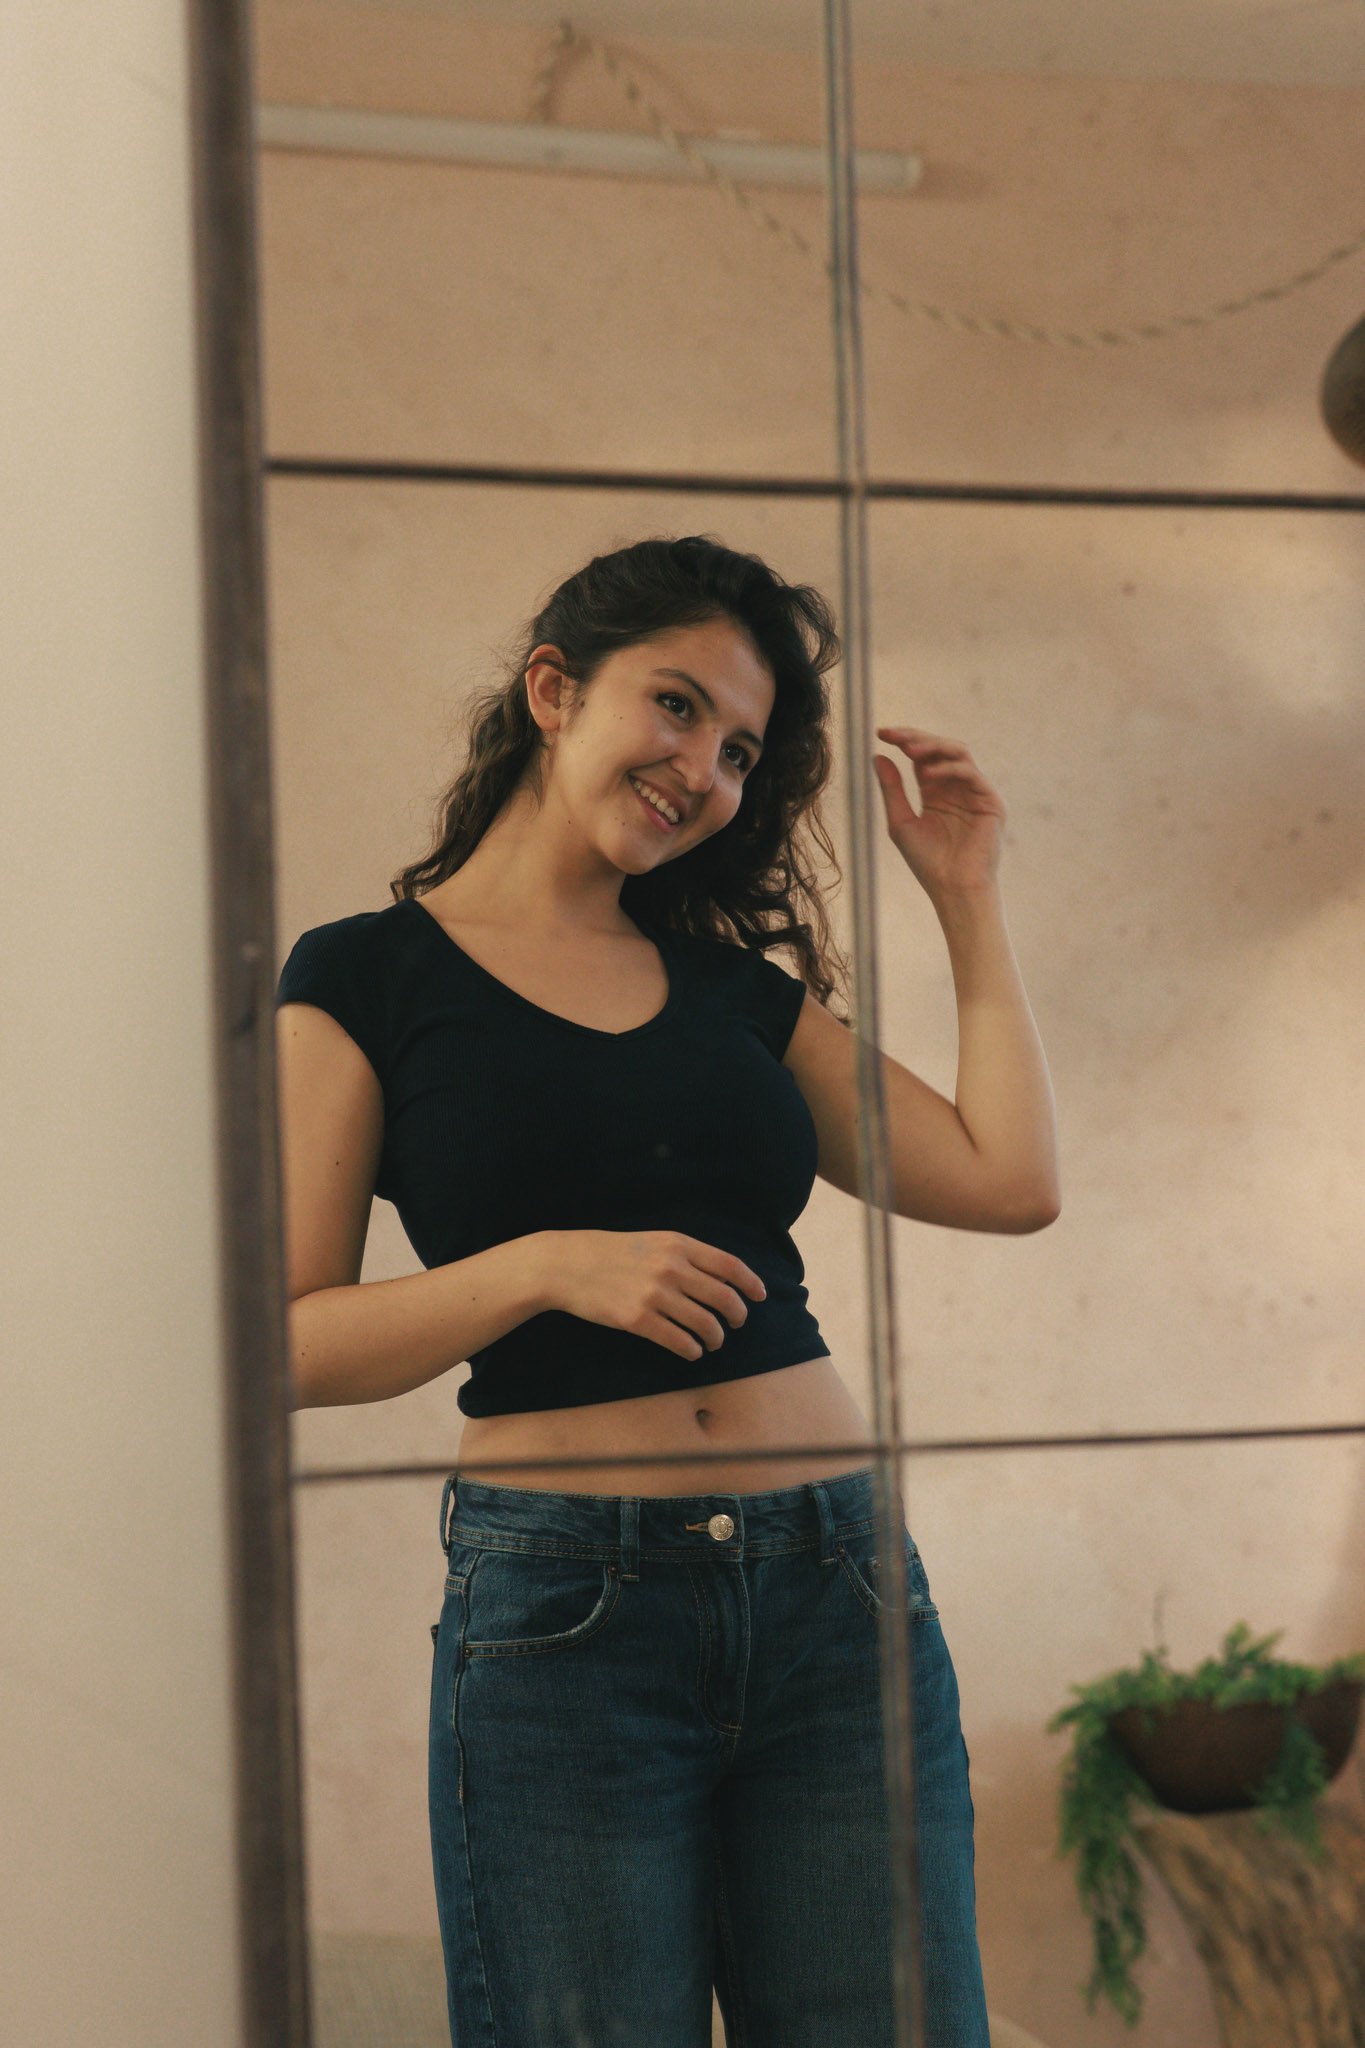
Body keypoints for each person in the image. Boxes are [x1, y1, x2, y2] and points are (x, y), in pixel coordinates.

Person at [275, 534, 1059, 2047]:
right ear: (554, 689)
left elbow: (1003, 1180)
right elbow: (278, 1345)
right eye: (678, 705)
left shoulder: (732, 995)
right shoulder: (367, 976)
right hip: (570, 1615)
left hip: (838, 1590)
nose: (704, 767)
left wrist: (963, 894)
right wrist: (538, 1271)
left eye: (742, 748)